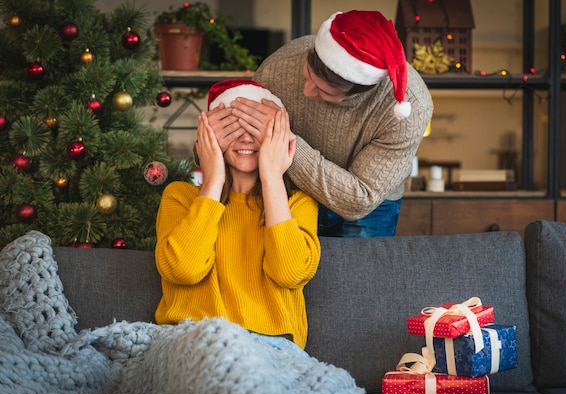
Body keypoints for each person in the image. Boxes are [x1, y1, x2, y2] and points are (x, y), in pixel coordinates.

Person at [228, 9, 434, 237]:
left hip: (369, 205)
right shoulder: (280, 67)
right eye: (307, 75)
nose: (306, 91)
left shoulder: (409, 107)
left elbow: (359, 200)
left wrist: (284, 140)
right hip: (293, 191)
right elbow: (239, 135)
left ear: (360, 92)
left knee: (358, 272)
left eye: (322, 91)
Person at [154, 79, 321, 352]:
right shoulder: (180, 197)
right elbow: (184, 270)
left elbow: (289, 273)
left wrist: (271, 177)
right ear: (211, 137)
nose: (245, 138)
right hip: (193, 343)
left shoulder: (298, 203)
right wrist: (214, 179)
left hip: (274, 349)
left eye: (255, 128)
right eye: (234, 128)